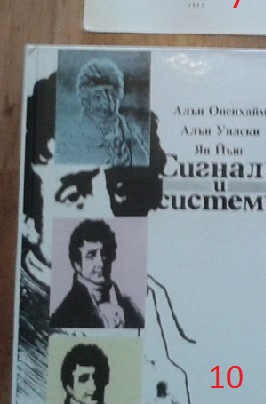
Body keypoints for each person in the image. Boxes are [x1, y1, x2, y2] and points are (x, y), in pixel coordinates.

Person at [17, 71, 192, 404]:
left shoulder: (148, 295)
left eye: (117, 189)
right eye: (75, 194)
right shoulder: (22, 340)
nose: (107, 214)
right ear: (28, 221)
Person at [51, 219, 144, 329]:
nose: (100, 262)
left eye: (104, 253)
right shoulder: (65, 315)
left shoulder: (130, 308)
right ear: (77, 264)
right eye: (91, 255)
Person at [58, 57, 149, 167]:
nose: (106, 102)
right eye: (98, 96)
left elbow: (145, 168)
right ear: (86, 101)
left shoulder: (132, 138)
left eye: (111, 95)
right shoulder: (71, 143)